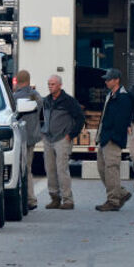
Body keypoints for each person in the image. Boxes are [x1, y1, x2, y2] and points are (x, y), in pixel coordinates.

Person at [41, 74, 84, 210]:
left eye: (52, 84)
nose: (50, 86)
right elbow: (41, 117)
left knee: (62, 170)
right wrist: (42, 131)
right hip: (48, 139)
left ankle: (68, 199)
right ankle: (54, 198)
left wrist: (71, 135)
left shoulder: (69, 101)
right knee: (50, 169)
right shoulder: (46, 101)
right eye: (49, 84)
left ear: (60, 85)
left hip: (62, 139)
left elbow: (80, 118)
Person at [95, 68, 134, 212]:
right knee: (102, 168)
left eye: (108, 79)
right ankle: (121, 193)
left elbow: (122, 119)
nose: (106, 81)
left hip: (113, 138)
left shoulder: (124, 97)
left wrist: (113, 135)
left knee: (111, 169)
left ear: (116, 80)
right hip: (104, 137)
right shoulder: (110, 95)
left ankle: (113, 200)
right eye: (106, 79)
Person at [13, 70, 44, 210]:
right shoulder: (36, 96)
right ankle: (30, 199)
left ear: (17, 81)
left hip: (19, 137)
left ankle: (28, 198)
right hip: (32, 137)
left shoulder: (15, 97)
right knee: (28, 168)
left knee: (22, 169)